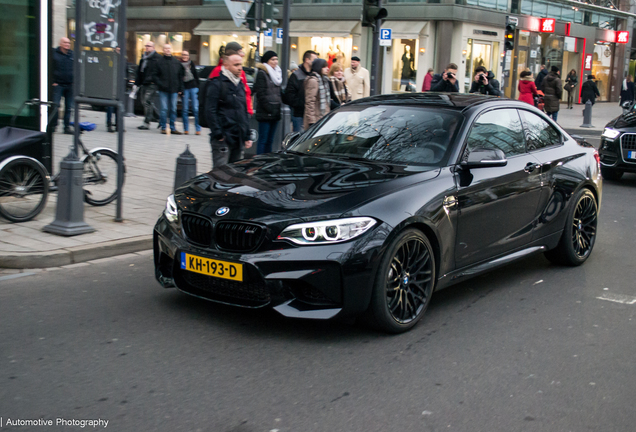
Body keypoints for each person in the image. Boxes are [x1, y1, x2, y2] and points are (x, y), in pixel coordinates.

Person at [205, 52, 253, 168]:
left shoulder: (240, 84)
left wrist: (247, 135)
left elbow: (243, 111)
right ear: (226, 66)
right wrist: (218, 133)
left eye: (240, 65)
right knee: (220, 174)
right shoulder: (217, 84)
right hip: (224, 138)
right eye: (236, 65)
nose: (240, 68)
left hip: (238, 137)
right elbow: (210, 110)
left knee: (235, 175)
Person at [208, 42, 253, 117]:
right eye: (239, 52)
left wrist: (248, 111)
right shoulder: (218, 71)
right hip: (225, 118)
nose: (242, 55)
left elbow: (246, 92)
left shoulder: (241, 72)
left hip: (239, 115)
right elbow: (211, 104)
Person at [253, 50, 282, 155]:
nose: (275, 62)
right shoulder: (262, 73)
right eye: (272, 59)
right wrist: (269, 108)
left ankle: (267, 161)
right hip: (265, 112)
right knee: (263, 140)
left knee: (270, 140)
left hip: (275, 112)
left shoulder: (277, 74)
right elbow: (261, 94)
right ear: (266, 61)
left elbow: (278, 93)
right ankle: (260, 161)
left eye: (276, 59)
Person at [283, 50, 318, 132]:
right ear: (307, 60)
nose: (316, 62)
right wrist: (303, 104)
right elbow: (290, 95)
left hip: (312, 115)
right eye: (314, 59)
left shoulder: (315, 74)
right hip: (299, 114)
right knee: (299, 138)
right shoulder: (296, 75)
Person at [153, 44, 184, 134]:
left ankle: (172, 128)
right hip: (163, 89)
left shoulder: (176, 62)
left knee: (173, 109)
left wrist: (180, 88)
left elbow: (180, 76)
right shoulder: (159, 62)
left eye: (169, 48)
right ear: (163, 50)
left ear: (171, 50)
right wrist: (160, 84)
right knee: (164, 109)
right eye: (165, 48)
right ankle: (163, 127)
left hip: (174, 89)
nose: (167, 50)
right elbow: (155, 76)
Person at [135, 41, 161, 130]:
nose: (147, 47)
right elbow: (139, 71)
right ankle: (159, 118)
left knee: (147, 102)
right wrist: (136, 83)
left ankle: (146, 123)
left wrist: (155, 81)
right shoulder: (143, 58)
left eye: (149, 46)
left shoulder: (157, 58)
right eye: (146, 46)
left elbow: (159, 72)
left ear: (153, 47)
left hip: (152, 84)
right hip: (144, 83)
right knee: (145, 102)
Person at [52, 37, 74, 134]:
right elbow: (49, 67)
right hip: (58, 84)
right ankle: (54, 125)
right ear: (60, 44)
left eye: (68, 43)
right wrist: (52, 81)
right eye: (65, 43)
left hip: (69, 85)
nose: (67, 44)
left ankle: (66, 127)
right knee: (55, 106)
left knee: (69, 107)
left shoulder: (72, 54)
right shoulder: (54, 54)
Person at [304, 58, 331, 130]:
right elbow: (310, 102)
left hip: (322, 117)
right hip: (316, 118)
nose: (327, 69)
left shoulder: (324, 80)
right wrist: (311, 121)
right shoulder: (313, 81)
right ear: (319, 67)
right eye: (324, 67)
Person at [180, 50, 201, 135]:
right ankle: (186, 129)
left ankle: (198, 128)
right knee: (185, 109)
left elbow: (196, 75)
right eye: (183, 55)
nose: (185, 56)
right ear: (182, 56)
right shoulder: (179, 65)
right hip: (184, 88)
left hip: (193, 87)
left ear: (189, 56)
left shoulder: (191, 64)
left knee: (196, 109)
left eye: (186, 55)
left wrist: (198, 86)